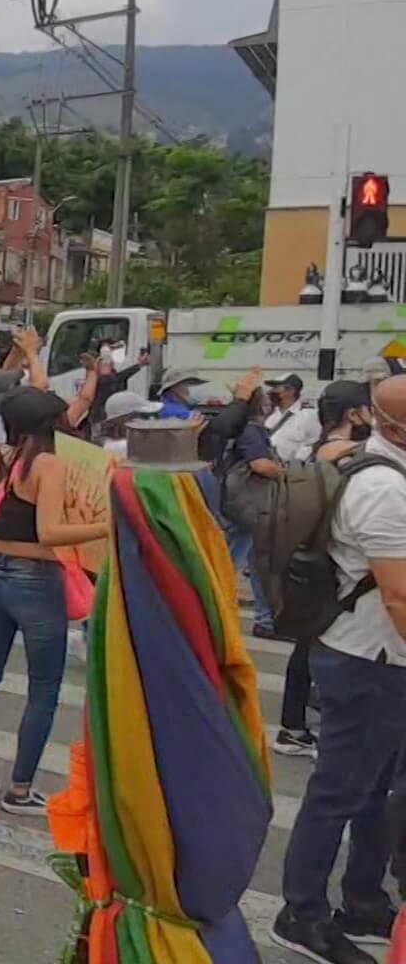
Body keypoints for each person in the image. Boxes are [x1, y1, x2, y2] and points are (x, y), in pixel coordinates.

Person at [272, 374, 406, 960]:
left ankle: (363, 900)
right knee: (340, 791)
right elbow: (399, 596)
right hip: (368, 657)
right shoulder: (383, 488)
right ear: (392, 424)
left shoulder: (381, 469)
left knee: (376, 788)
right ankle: (300, 913)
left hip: (376, 655)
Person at [0, 387, 108, 816]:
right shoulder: (48, 464)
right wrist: (106, 526)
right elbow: (50, 531)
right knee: (43, 689)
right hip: (35, 580)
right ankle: (20, 789)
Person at [271, 381, 370, 766]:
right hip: (334, 568)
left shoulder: (314, 451)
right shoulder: (350, 456)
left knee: (308, 648)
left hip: (310, 565)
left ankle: (295, 727)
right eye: (368, 409)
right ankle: (320, 736)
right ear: (353, 414)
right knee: (327, 652)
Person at [223, 388, 284, 640]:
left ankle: (266, 618)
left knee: (250, 561)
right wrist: (287, 472)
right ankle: (265, 619)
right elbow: (260, 464)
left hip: (242, 506)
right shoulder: (252, 431)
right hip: (250, 506)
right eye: (267, 401)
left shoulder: (241, 428)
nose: (270, 404)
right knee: (236, 562)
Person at [97, 389, 162, 460]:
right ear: (125, 419)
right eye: (145, 416)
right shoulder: (125, 447)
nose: (151, 420)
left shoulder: (114, 442)